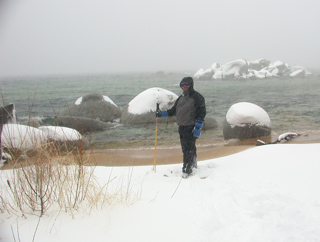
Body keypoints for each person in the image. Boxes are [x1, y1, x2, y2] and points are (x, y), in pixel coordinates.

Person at [156, 77, 206, 175]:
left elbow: (202, 112)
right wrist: (160, 114)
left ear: (191, 85)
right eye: (182, 85)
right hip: (182, 126)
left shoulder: (197, 97)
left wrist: (198, 127)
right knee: (186, 147)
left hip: (191, 126)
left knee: (188, 148)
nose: (184, 87)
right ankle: (193, 163)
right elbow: (173, 111)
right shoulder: (181, 98)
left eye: (186, 85)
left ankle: (187, 168)